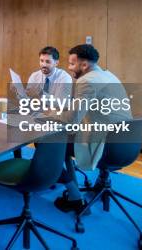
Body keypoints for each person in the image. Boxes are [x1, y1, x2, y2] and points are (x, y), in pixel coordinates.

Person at [55, 44, 133, 213]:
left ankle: (75, 198)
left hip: (106, 145)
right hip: (126, 143)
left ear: (84, 65)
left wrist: (48, 113)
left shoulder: (87, 80)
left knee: (52, 144)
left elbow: (71, 119)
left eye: (71, 64)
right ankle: (102, 180)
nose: (69, 68)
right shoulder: (108, 75)